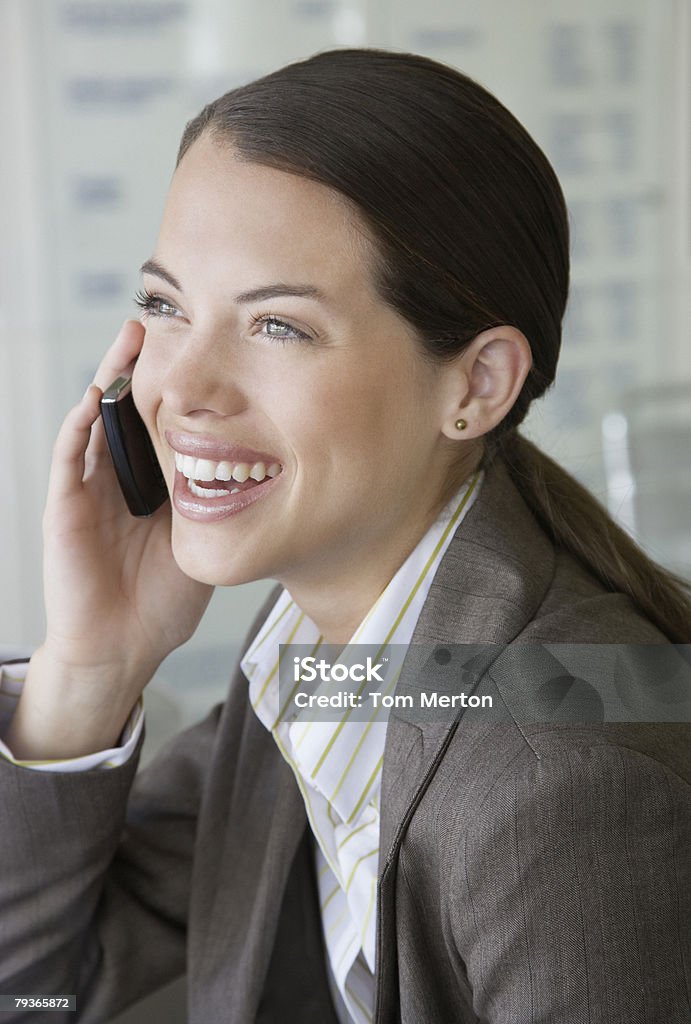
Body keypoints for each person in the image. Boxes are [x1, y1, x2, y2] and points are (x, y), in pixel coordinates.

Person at [0, 48, 689, 1024]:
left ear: (476, 384)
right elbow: (37, 988)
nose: (182, 391)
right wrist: (92, 665)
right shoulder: (313, 654)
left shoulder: (564, 789)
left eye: (277, 325)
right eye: (164, 306)